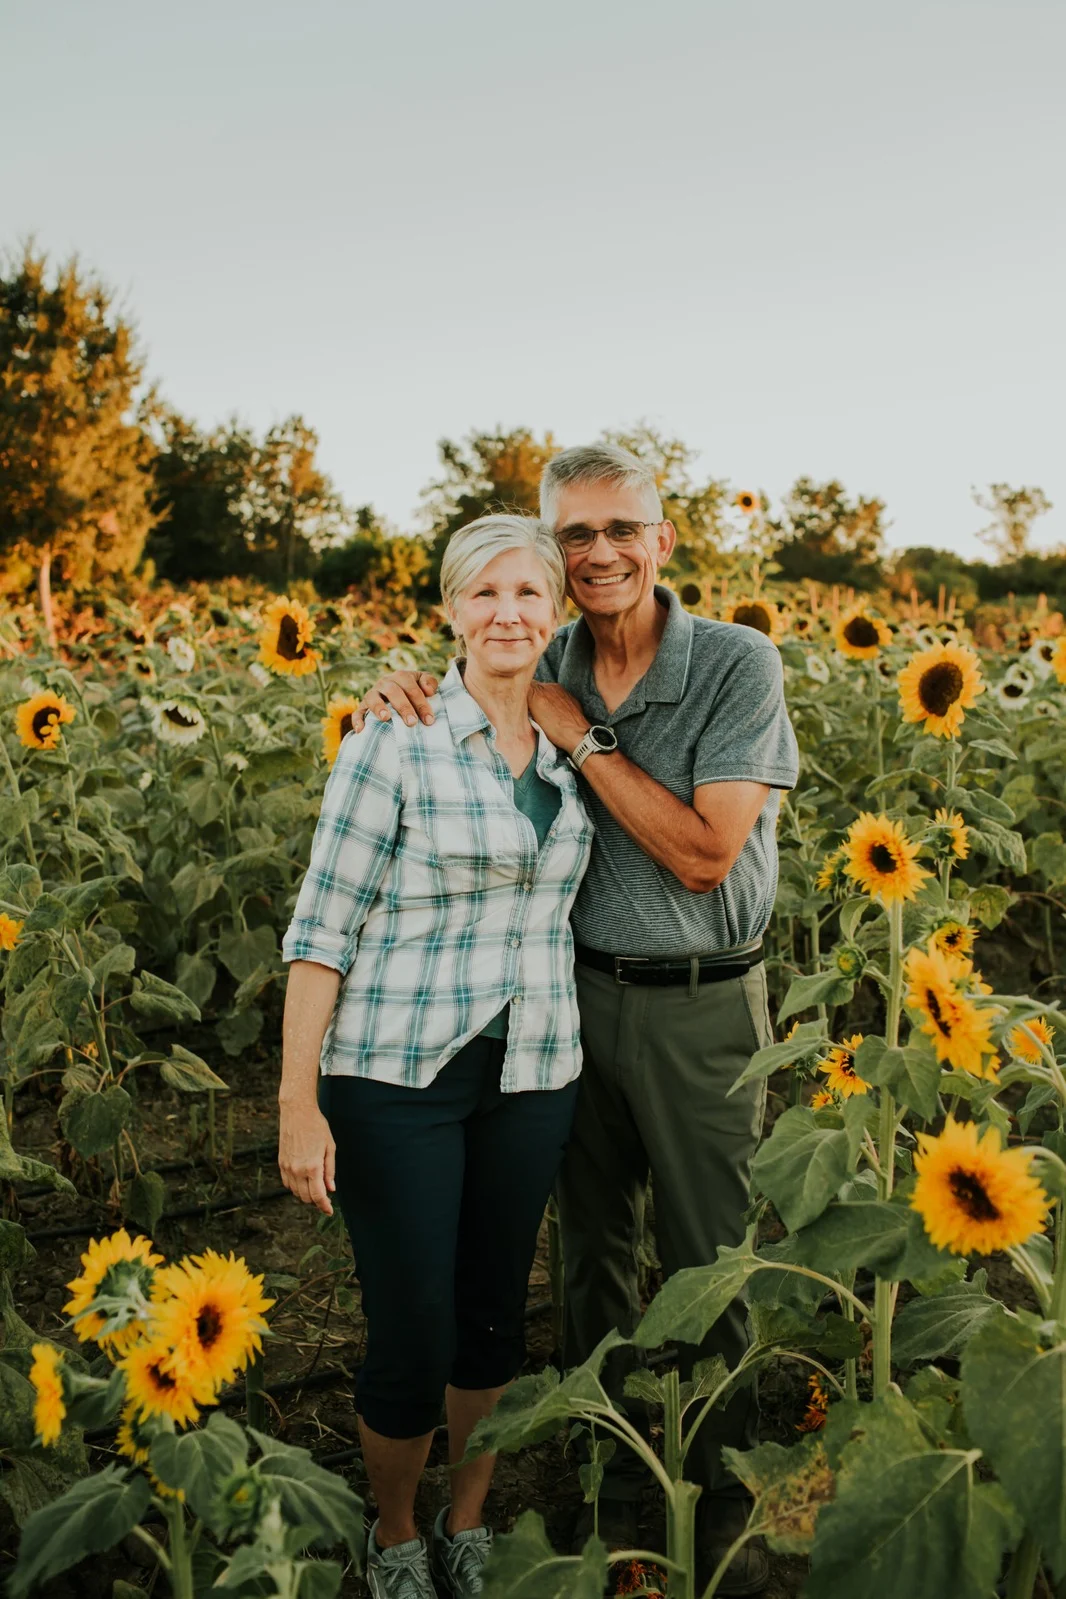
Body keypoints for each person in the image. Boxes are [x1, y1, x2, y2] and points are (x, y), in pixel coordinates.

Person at [352, 445, 799, 1598]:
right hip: (567, 1002)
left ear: (661, 538)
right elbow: (461, 681)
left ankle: (717, 1497)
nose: (599, 553)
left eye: (620, 529)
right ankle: (611, 1473)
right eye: (576, 537)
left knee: (710, 1255)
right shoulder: (540, 645)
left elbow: (707, 856)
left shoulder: (734, 664)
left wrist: (583, 737)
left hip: (703, 1001)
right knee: (588, 1251)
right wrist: (384, 689)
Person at [277, 514, 595, 1599]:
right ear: (450, 612)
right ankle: (399, 1534)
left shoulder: (570, 744)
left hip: (532, 1069)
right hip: (394, 1076)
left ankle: (468, 1519)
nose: (508, 614)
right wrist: (296, 1105)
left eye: (527, 594)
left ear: (555, 611)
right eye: (484, 594)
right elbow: (321, 930)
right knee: (412, 1328)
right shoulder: (391, 740)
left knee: (496, 1313)